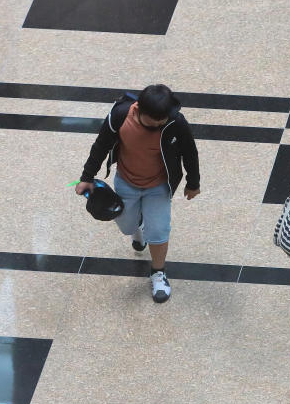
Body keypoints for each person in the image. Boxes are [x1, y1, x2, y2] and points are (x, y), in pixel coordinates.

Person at [77, 84, 200, 303]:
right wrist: (86, 177)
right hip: (126, 182)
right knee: (127, 227)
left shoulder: (174, 122)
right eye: (156, 120)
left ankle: (158, 273)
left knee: (160, 231)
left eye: (164, 118)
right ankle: (139, 225)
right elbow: (101, 145)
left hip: (159, 187)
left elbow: (190, 152)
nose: (162, 123)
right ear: (140, 111)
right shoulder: (120, 116)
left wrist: (193, 183)